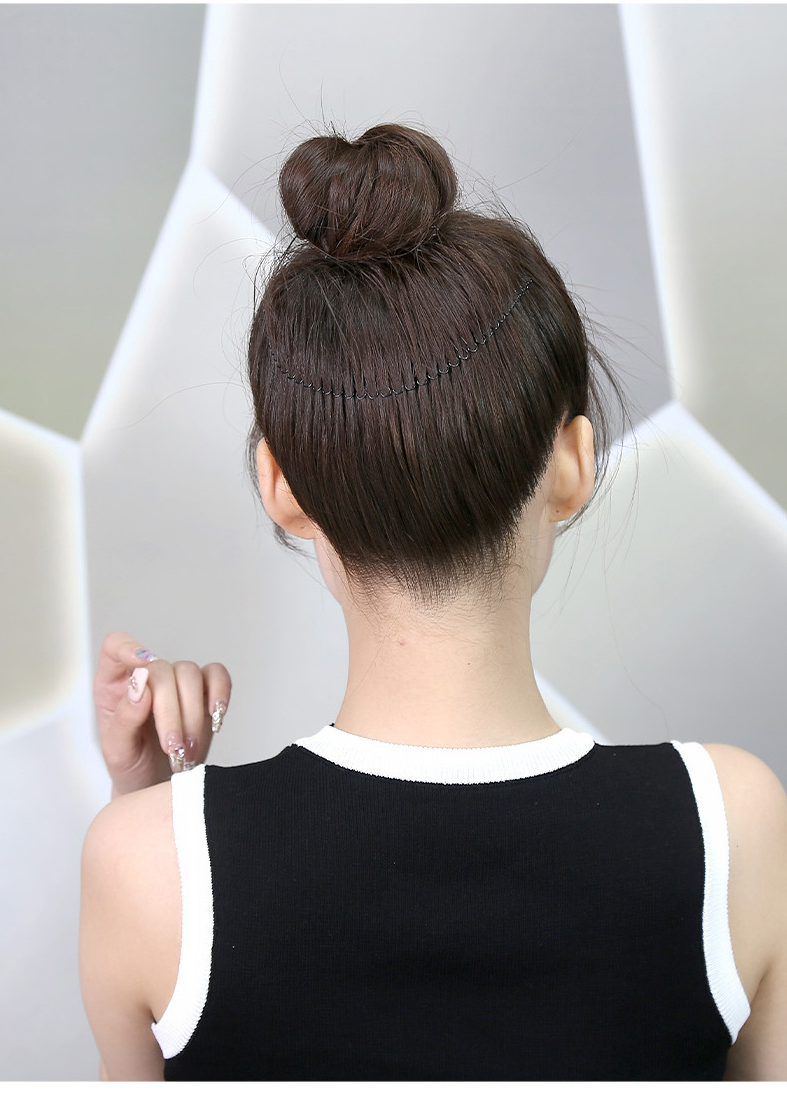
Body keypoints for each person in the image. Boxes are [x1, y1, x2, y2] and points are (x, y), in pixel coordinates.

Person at [79, 124, 787, 1081]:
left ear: (282, 488)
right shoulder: (734, 825)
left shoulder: (140, 866)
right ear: (574, 465)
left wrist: (153, 812)